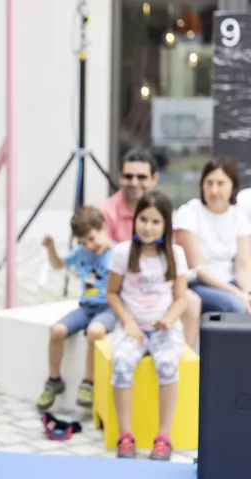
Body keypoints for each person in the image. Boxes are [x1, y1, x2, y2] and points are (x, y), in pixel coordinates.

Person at [107, 191, 188, 461]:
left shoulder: (176, 254)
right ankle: (125, 434)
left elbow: (181, 297)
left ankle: (164, 436)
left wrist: (169, 318)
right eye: (143, 219)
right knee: (121, 363)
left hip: (164, 328)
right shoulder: (122, 252)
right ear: (135, 220)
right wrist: (128, 321)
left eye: (155, 221)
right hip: (133, 328)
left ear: (166, 225)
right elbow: (112, 293)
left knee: (167, 364)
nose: (148, 227)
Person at [100, 149, 202, 347]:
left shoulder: (162, 210)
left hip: (155, 284)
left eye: (141, 177)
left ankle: (183, 358)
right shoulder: (105, 211)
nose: (134, 182)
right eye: (129, 176)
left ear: (154, 178)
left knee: (191, 301)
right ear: (120, 177)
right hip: (119, 284)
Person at [36, 206, 117, 411]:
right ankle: (54, 380)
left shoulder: (118, 254)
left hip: (109, 308)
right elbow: (58, 265)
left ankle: (88, 382)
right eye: (83, 242)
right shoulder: (81, 253)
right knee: (57, 330)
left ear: (104, 227)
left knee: (94, 331)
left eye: (92, 238)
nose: (89, 246)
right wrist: (51, 249)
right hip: (86, 306)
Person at [174, 156, 251, 315]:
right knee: (235, 307)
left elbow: (243, 265)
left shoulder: (239, 216)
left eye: (220, 183)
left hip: (231, 283)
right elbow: (198, 268)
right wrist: (237, 293)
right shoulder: (188, 213)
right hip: (197, 285)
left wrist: (247, 292)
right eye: (209, 183)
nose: (214, 190)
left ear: (233, 186)